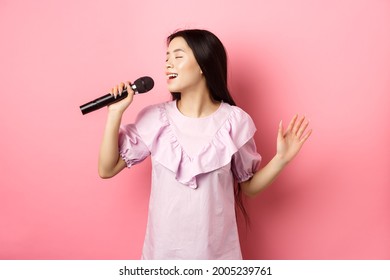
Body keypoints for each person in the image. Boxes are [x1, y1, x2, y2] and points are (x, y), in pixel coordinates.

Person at [98, 29, 312, 260]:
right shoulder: (155, 119)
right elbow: (106, 169)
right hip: (162, 256)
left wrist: (281, 160)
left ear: (203, 65)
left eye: (178, 57)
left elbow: (248, 187)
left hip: (218, 258)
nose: (168, 65)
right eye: (167, 58)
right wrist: (115, 113)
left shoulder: (235, 122)